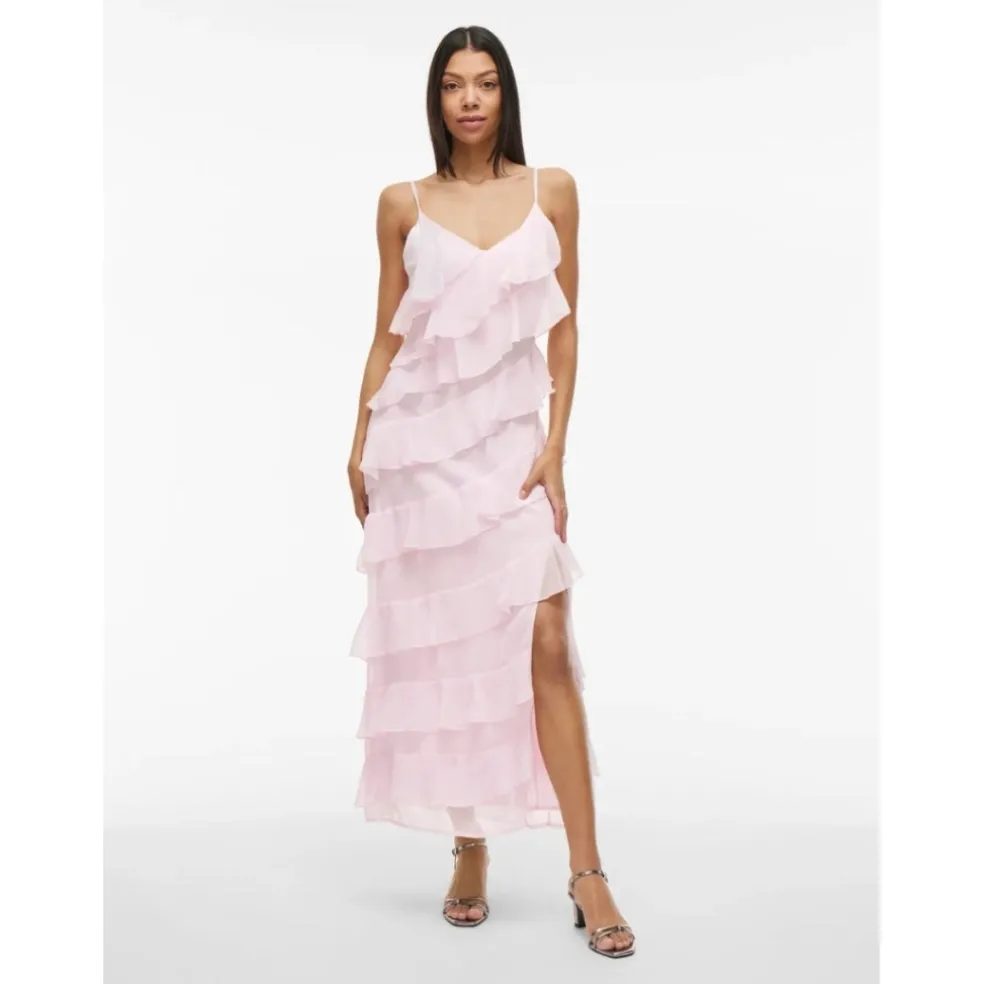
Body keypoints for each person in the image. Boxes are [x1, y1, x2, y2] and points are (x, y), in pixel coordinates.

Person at [345, 25, 635, 959]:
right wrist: (359, 438)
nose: (469, 99)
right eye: (452, 85)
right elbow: (388, 333)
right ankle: (469, 847)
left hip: (512, 447)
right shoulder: (403, 203)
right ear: (436, 100)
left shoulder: (553, 190)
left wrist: (557, 448)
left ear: (506, 94)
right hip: (423, 451)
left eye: (485, 83)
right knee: (455, 646)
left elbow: (566, 326)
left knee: (546, 639)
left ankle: (587, 873)